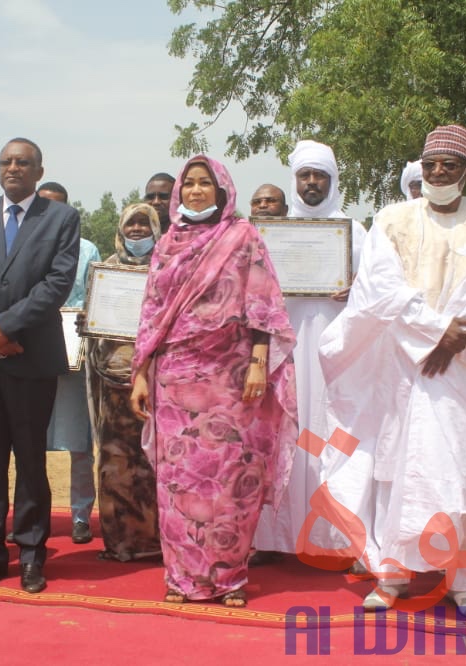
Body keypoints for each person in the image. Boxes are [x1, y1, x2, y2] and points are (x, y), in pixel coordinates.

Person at [318, 125, 466, 617]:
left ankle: (464, 582)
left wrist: (459, 335)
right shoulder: (393, 219)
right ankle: (392, 576)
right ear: (420, 166)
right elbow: (381, 288)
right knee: (398, 470)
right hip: (405, 366)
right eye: (431, 163)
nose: (439, 172)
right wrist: (435, 332)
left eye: (450, 164)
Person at [129, 155, 298, 607]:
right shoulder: (167, 244)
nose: (196, 191)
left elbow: (263, 304)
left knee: (227, 480)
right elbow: (150, 314)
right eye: (190, 184)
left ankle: (228, 579)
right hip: (174, 380)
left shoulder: (242, 237)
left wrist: (260, 361)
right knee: (179, 481)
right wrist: (141, 374)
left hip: (231, 377)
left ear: (222, 192)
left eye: (206, 184)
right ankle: (182, 579)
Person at [0, 138, 80, 594]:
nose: (13, 168)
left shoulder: (61, 218)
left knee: (29, 462)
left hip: (32, 358)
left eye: (22, 163)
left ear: (38, 171)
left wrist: (7, 327)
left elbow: (58, 282)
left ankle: (31, 555)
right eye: (6, 162)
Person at [250, 141, 367, 566]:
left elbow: (378, 289)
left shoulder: (355, 233)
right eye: (305, 175)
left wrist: (358, 290)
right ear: (294, 180)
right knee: (281, 436)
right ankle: (273, 539)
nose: (312, 183)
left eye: (319, 175)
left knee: (336, 439)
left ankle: (340, 540)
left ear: (333, 180)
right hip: (287, 350)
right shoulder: (273, 234)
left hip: (338, 355)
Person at [85, 203, 162, 562]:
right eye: (130, 223)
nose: (136, 230)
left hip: (157, 379)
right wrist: (86, 320)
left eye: (144, 224)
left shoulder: (167, 269)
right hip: (111, 380)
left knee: (152, 459)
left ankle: (157, 540)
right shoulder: (104, 272)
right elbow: (92, 317)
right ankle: (120, 543)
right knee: (116, 461)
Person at [32, 181, 102, 545]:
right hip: (31, 356)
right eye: (43, 207)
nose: (50, 214)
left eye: (57, 208)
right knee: (30, 444)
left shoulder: (88, 250)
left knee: (79, 443)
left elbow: (98, 300)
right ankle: (35, 514)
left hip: (75, 357)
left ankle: (80, 515)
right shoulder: (21, 246)